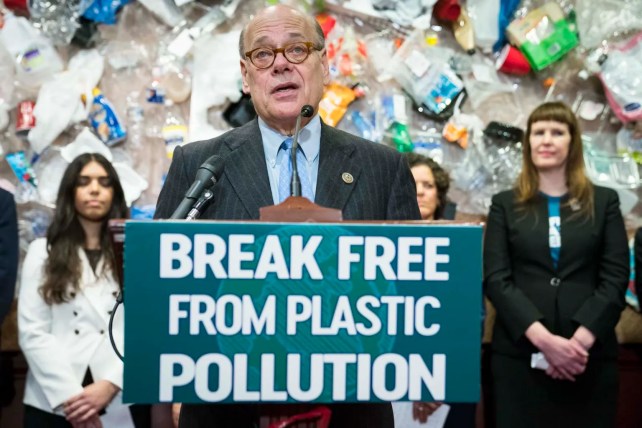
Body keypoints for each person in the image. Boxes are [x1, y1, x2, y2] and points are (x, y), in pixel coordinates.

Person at [154, 4, 420, 427]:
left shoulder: (382, 167)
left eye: (296, 49)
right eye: (263, 55)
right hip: (226, 407)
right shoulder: (199, 163)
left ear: (324, 66)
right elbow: (163, 283)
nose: (280, 64)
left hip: (350, 407)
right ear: (246, 76)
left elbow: (409, 291)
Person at [483, 101, 629, 427]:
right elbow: (496, 279)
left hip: (587, 359)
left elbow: (616, 277)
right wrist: (546, 342)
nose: (546, 140)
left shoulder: (605, 201)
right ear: (528, 143)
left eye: (557, 132)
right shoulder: (503, 205)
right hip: (520, 357)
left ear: (572, 142)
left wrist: (577, 345)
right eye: (538, 132)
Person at [18, 153, 143, 428]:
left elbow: (146, 327)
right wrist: (74, 401)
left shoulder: (136, 251)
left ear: (115, 192)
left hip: (118, 393)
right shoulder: (43, 252)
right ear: (70, 192)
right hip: (55, 399)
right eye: (84, 182)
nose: (94, 189)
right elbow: (33, 332)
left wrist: (110, 385)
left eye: (104, 182)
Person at [402, 153, 476, 428]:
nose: (420, 191)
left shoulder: (459, 244)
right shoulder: (379, 243)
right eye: (412, 183)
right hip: (392, 376)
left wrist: (437, 381)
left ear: (440, 194)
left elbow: (468, 320)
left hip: (450, 373)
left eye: (428, 185)